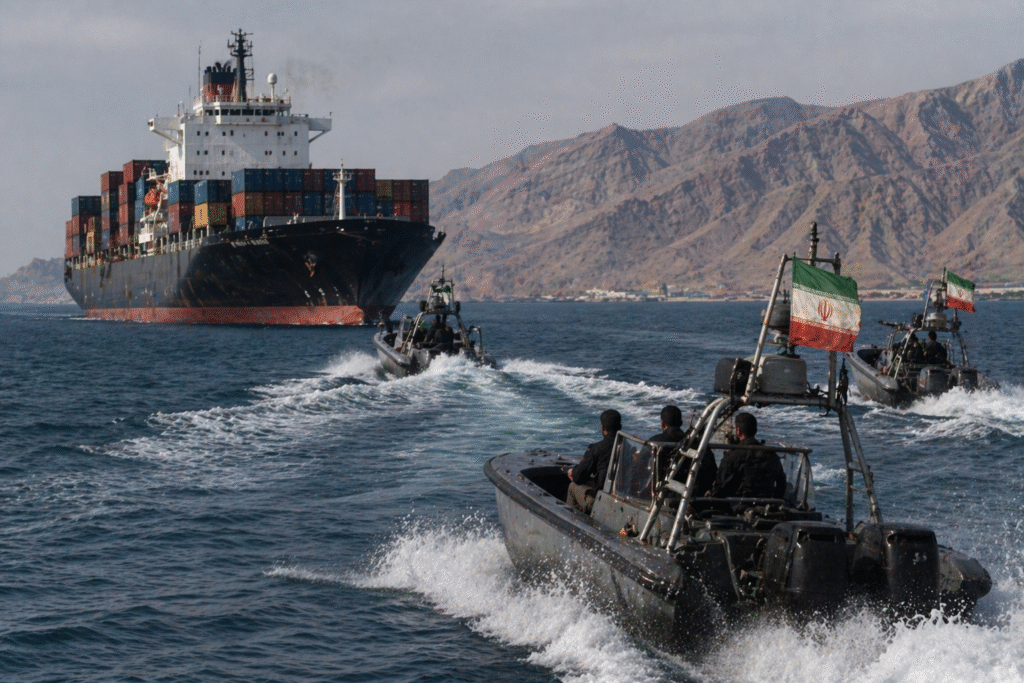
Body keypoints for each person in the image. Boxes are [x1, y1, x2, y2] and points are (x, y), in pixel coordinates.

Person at [710, 412, 786, 499]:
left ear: (738, 430)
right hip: (765, 506)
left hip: (736, 507)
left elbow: (720, 487)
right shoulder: (771, 454)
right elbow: (781, 483)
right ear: (755, 431)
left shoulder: (731, 456)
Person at [649, 405, 717, 497]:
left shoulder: (655, 442)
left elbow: (640, 463)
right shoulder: (698, 445)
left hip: (662, 495)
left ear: (663, 424)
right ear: (681, 423)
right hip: (695, 496)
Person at [566, 409, 622, 514]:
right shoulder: (629, 449)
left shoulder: (597, 448)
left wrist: (572, 472)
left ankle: (572, 520)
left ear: (603, 427)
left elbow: (578, 477)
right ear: (620, 427)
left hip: (602, 501)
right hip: (620, 499)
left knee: (572, 487)